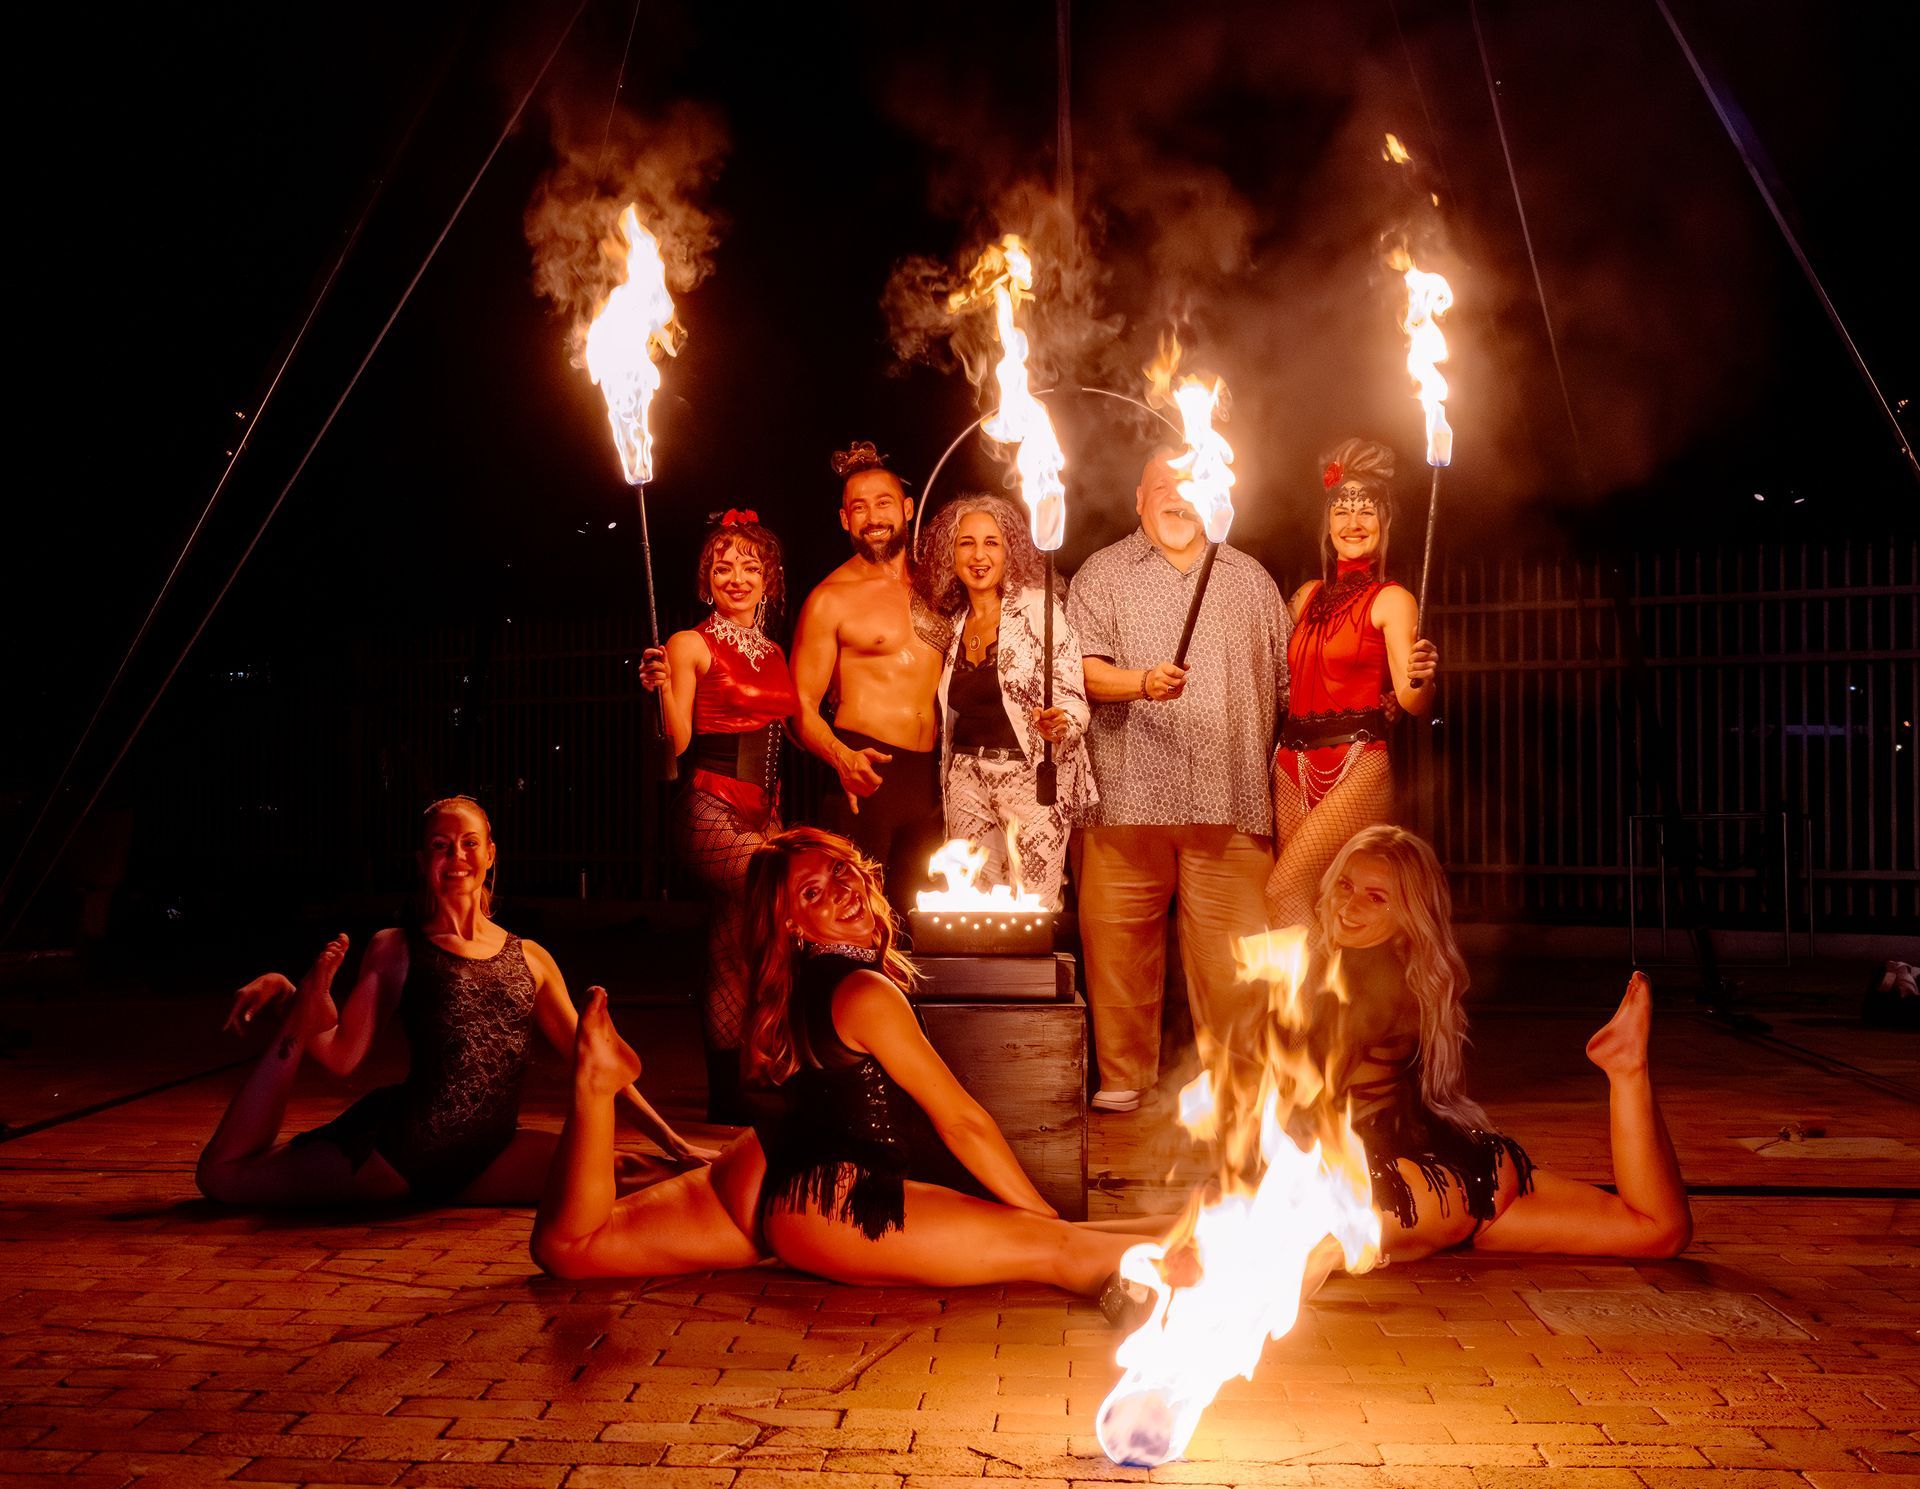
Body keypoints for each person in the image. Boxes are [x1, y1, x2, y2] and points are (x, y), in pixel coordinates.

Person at [533, 826, 1166, 1302]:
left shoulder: (793, 981)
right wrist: (1040, 1218)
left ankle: (595, 1090)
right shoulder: (865, 993)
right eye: (814, 891)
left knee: (571, 1249)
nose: (839, 890)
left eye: (841, 871)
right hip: (835, 1206)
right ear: (793, 922)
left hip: (761, 1172)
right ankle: (1232, 1270)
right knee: (1057, 1249)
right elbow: (961, 1122)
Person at [196, 796, 714, 1208]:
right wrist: (299, 997)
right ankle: (292, 1012)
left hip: (489, 1152)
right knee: (224, 1179)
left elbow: (598, 1065)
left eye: (469, 844)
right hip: (402, 1153)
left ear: (491, 854)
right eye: (441, 846)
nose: (457, 857)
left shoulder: (532, 959)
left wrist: (675, 1142)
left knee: (636, 1170)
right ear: (423, 862)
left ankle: (761, 1188)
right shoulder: (395, 947)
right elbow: (341, 1056)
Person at [1305, 825, 1691, 1262]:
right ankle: (1627, 1072)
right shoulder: (1405, 975)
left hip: (1408, 1185)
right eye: (1345, 884)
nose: (1348, 905)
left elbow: (1297, 1103)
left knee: (1276, 1252)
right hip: (1468, 1169)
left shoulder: (1358, 984)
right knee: (1656, 1230)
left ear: (1407, 918)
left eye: (1376, 898)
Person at [1066, 448, 1291, 1113]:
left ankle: (1240, 1083)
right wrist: (1139, 682)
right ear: (1139, 497)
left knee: (1236, 959)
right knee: (1118, 945)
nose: (1176, 496)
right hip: (1125, 795)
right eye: (1163, 484)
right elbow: (1079, 670)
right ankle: (1125, 1074)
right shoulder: (1102, 573)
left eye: (1190, 484)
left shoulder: (1250, 578)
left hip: (1232, 795)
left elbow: (1287, 684)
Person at [639, 510, 797, 1120]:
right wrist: (658, 691)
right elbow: (676, 743)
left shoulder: (775, 650)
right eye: (722, 567)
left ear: (769, 579)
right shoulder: (689, 643)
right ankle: (773, 1070)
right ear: (706, 580)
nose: (736, 577)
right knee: (779, 903)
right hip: (708, 807)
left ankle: (731, 1093)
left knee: (737, 947)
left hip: (765, 813)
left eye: (750, 567)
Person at [1265, 439, 1439, 929]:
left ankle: (1307, 1006)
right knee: (1317, 903)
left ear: (1386, 523)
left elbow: (1411, 700)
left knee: (1284, 887)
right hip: (1291, 763)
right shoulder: (1304, 598)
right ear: (1327, 523)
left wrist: (1421, 679)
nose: (1353, 522)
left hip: (1358, 761)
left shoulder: (1393, 599)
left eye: (1367, 511)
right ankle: (1305, 1007)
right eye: (1342, 511)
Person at [915, 492, 1095, 907]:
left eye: (991, 542)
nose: (979, 555)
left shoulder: (1037, 609)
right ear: (951, 553)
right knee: (970, 905)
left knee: (1032, 909)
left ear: (1009, 550)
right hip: (965, 778)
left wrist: (1061, 723)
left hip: (1030, 780)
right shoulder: (954, 622)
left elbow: (1074, 699)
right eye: (967, 543)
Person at [790, 442, 947, 901]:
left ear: (907, 508)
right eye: (859, 508)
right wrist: (843, 759)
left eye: (883, 503)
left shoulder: (937, 585)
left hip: (929, 780)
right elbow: (799, 706)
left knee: (919, 927)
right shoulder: (830, 598)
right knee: (855, 922)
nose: (873, 517)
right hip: (864, 775)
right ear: (845, 519)